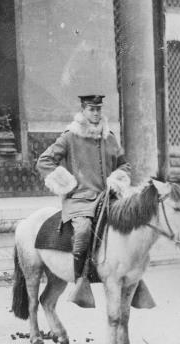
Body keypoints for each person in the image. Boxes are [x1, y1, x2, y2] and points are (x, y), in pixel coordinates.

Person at [36, 94, 132, 308]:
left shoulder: (110, 137)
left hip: (108, 198)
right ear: (83, 110)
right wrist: (66, 183)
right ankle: (81, 280)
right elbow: (44, 161)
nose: (96, 113)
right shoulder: (70, 136)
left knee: (130, 226)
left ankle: (135, 279)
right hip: (79, 200)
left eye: (98, 109)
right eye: (91, 109)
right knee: (83, 231)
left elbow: (124, 165)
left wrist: (117, 179)